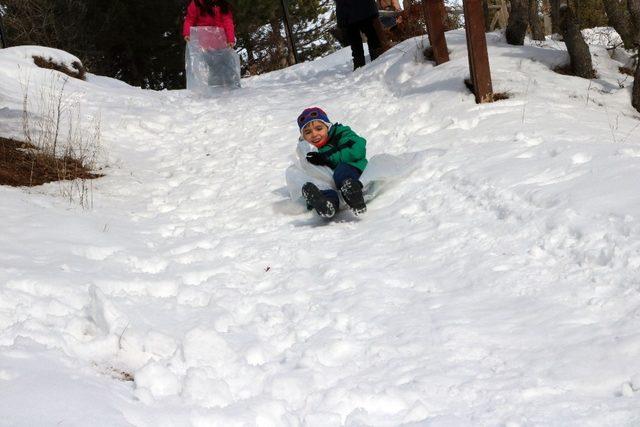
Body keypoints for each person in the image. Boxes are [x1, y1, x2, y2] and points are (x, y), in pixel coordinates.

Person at [297, 107, 368, 219]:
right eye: (308, 132)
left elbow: (357, 149)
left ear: (328, 127)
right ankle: (327, 205)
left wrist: (327, 158)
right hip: (331, 181)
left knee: (342, 171)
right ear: (303, 137)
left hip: (352, 171)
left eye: (319, 128)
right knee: (320, 185)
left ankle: (352, 191)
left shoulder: (341, 133)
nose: (314, 134)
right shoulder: (308, 149)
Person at [335, 0, 384, 70]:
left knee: (356, 40)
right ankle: (377, 58)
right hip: (363, 9)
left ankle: (360, 64)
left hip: (347, 11)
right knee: (369, 34)